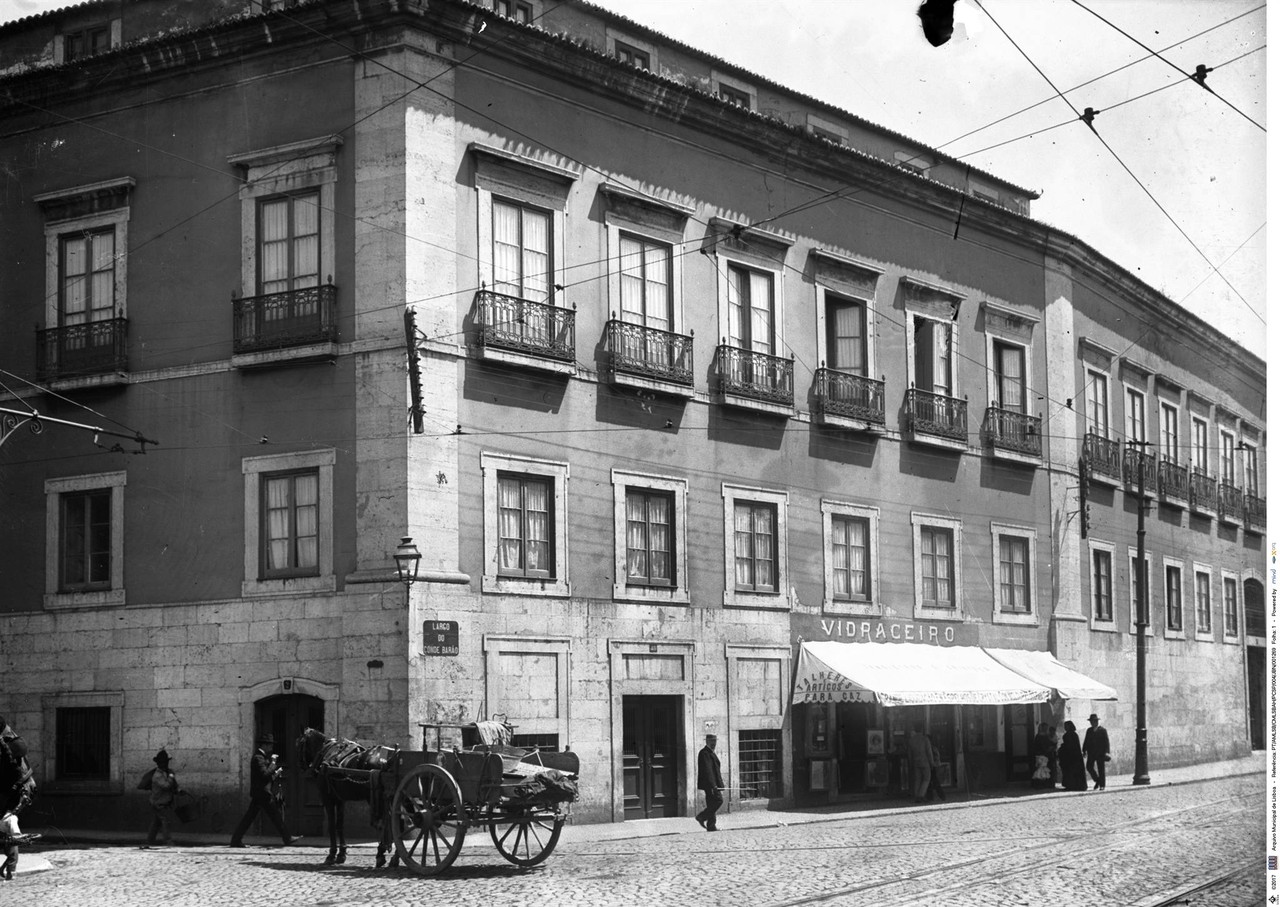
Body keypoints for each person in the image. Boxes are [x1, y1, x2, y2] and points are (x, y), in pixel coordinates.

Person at [229, 734, 301, 847]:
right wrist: (273, 763)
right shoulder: (258, 758)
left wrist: (276, 774)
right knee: (275, 816)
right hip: (262, 794)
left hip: (260, 793)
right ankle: (287, 838)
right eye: (270, 745)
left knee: (250, 818)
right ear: (264, 745)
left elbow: (266, 777)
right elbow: (264, 774)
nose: (271, 747)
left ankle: (235, 840)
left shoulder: (261, 757)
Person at [0, 716, 35, 881]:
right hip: (17, 791)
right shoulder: (12, 740)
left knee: (8, 829)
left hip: (12, 793)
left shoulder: (7, 745)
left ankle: (11, 869)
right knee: (9, 829)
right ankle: (10, 869)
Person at [144, 748, 179, 848]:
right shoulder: (158, 775)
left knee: (156, 822)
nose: (167, 764)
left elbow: (172, 786)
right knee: (165, 821)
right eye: (165, 762)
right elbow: (166, 785)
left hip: (161, 802)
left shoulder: (164, 773)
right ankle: (167, 841)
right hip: (158, 803)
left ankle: (149, 840)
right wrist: (171, 777)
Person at [694, 734, 724, 832]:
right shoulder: (704, 753)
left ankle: (711, 825)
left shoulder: (711, 753)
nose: (714, 744)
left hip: (714, 784)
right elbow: (708, 771)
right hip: (710, 785)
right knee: (719, 800)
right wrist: (713, 785)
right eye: (712, 742)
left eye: (715, 741)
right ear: (707, 741)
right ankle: (702, 816)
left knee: (711, 803)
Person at [1081, 713, 1111, 790]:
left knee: (1101, 769)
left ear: (1097, 722)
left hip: (1100, 753)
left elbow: (1106, 741)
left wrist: (1107, 752)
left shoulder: (1102, 730)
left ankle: (1102, 785)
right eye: (1091, 721)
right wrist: (1084, 750)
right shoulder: (1089, 730)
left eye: (1094, 721)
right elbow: (1086, 741)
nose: (1092, 723)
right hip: (1091, 753)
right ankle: (1097, 780)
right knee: (1089, 767)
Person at [906, 723, 932, 804]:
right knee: (926, 778)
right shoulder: (925, 739)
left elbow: (909, 754)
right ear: (921, 730)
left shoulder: (911, 740)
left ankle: (916, 796)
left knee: (917, 779)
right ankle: (921, 795)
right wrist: (931, 762)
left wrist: (910, 763)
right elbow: (929, 752)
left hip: (915, 762)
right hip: (925, 762)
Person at [1058, 720, 1088, 791]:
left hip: (1071, 757)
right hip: (1075, 756)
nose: (1065, 727)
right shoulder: (1074, 734)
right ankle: (1076, 785)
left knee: (1071, 771)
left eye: (1066, 726)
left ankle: (1071, 785)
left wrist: (1062, 748)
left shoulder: (1068, 735)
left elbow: (1069, 746)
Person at [924, 733, 946, 802]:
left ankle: (933, 797)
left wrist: (932, 764)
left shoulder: (931, 749)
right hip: (933, 765)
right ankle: (939, 796)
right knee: (933, 782)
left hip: (933, 766)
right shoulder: (933, 748)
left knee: (933, 782)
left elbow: (934, 758)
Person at [1031, 722, 1054, 788]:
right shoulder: (1040, 736)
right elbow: (1041, 746)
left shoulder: (1045, 736)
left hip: (1045, 755)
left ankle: (1043, 784)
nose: (1046, 729)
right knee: (1040, 769)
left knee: (1044, 770)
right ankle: (1040, 784)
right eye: (1045, 727)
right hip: (1041, 755)